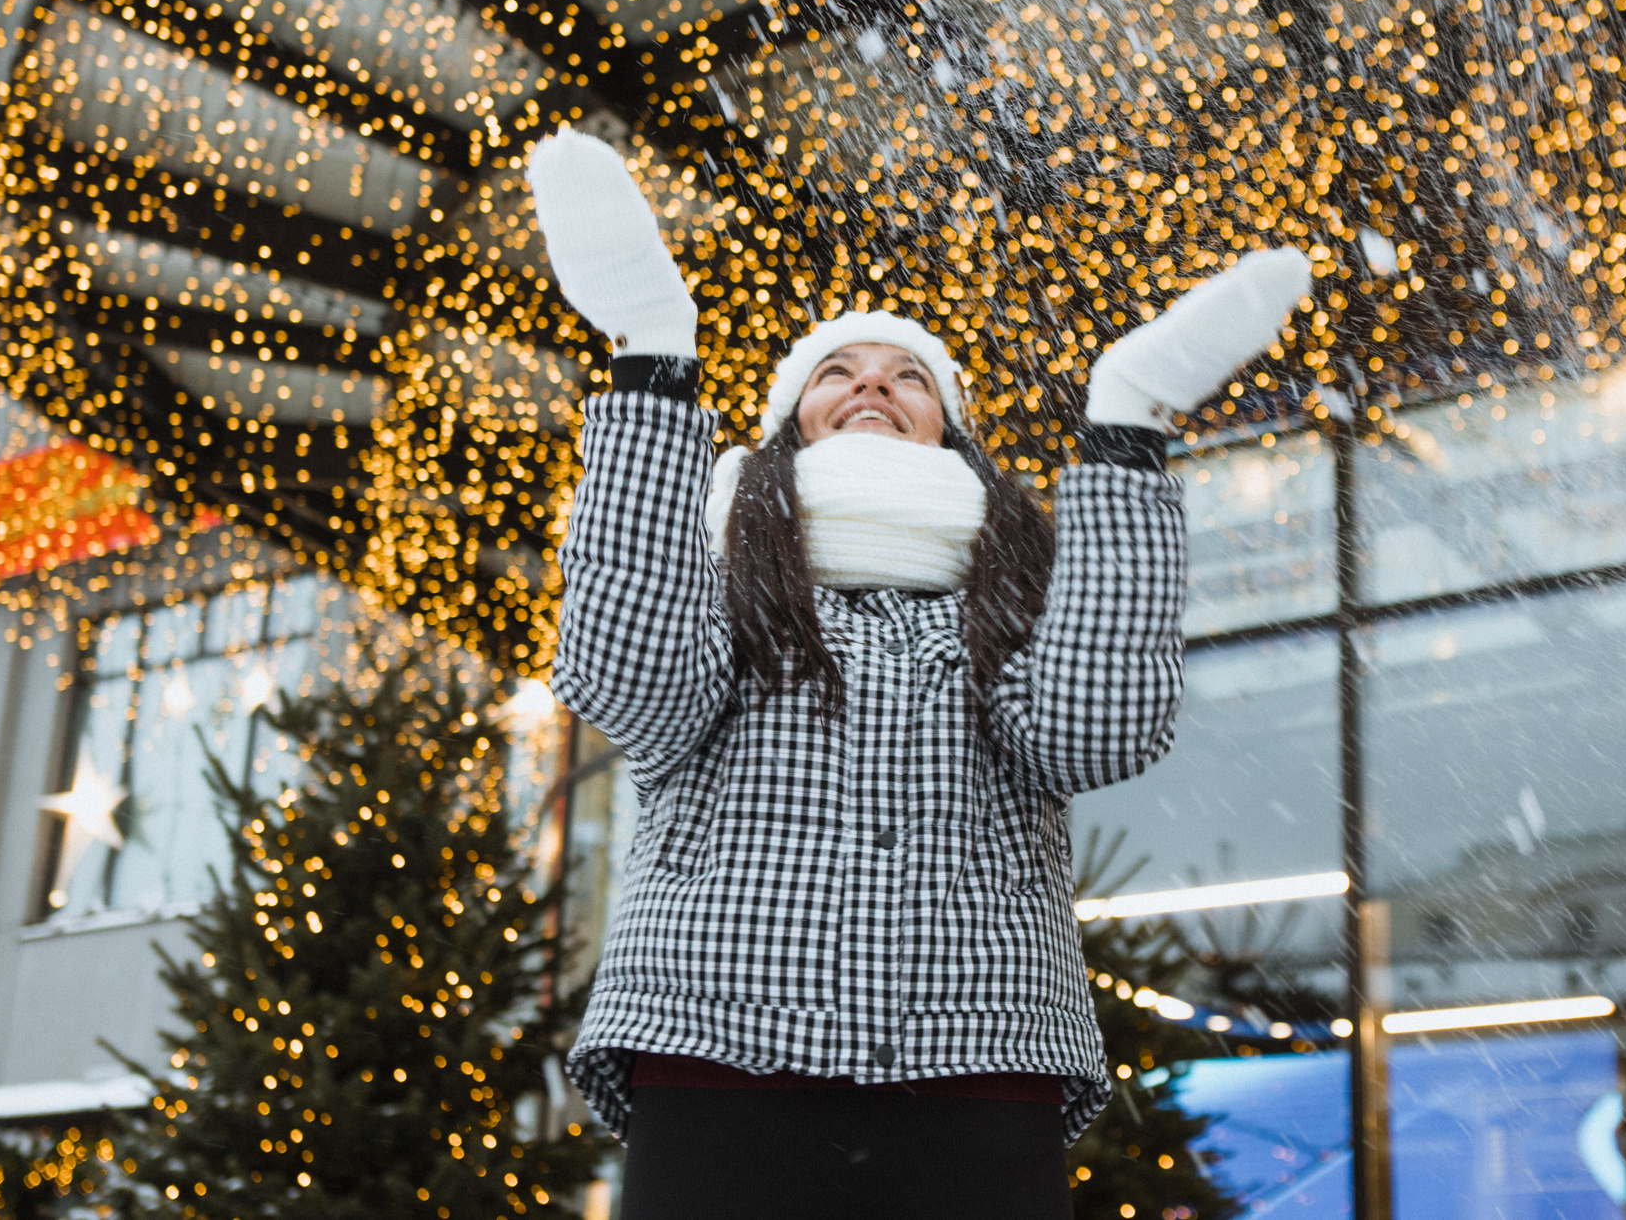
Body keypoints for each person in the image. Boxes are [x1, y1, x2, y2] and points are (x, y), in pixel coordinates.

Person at [526, 129, 1311, 1219]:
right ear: (788, 428)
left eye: (909, 378)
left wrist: (1128, 422)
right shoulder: (715, 582)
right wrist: (654, 361)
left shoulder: (1011, 604)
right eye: (836, 372)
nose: (872, 385)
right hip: (717, 1050)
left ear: (948, 434)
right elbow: (629, 677)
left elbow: (1098, 727)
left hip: (977, 1061)